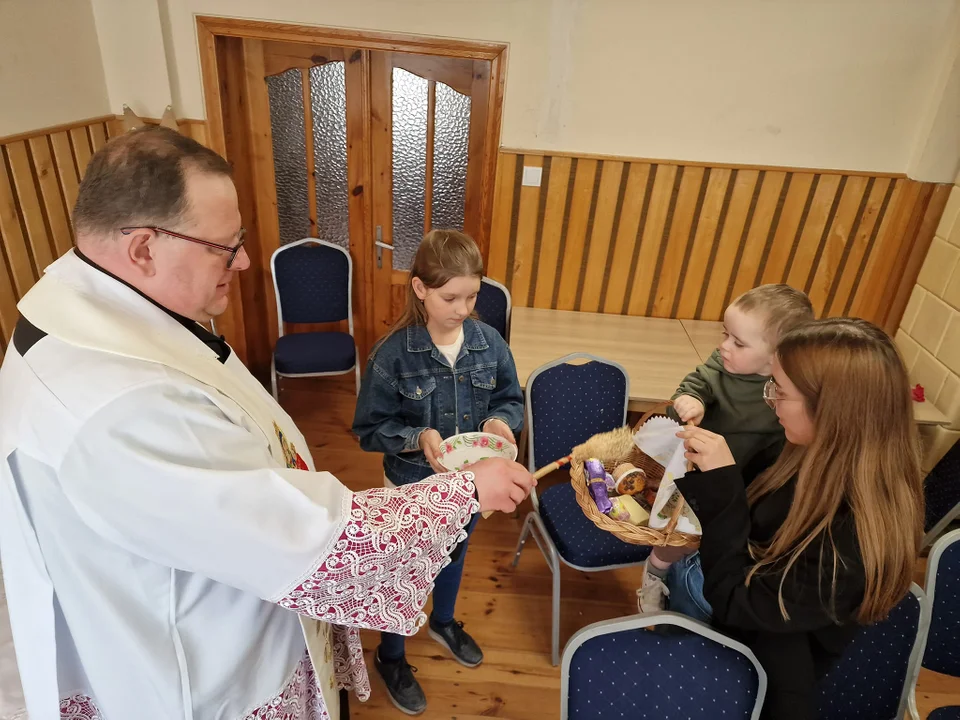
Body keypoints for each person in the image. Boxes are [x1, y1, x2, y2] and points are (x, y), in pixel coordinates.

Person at [0, 126, 536, 720]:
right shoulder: (115, 402)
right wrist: (465, 489)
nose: (247, 261)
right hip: (200, 675)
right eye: (225, 246)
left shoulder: (108, 316)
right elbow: (310, 541)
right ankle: (396, 656)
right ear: (144, 248)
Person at [671, 318, 923, 720]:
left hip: (767, 680)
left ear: (831, 411)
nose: (770, 400)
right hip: (748, 642)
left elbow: (739, 601)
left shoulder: (851, 539)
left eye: (779, 392)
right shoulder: (800, 455)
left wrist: (722, 489)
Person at [352, 230, 523, 715]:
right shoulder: (393, 355)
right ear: (420, 289)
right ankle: (391, 655)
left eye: (473, 296)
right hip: (411, 484)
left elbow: (510, 399)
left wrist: (499, 421)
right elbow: (368, 430)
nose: (464, 308)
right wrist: (416, 438)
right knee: (405, 568)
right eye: (451, 297)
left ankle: (443, 621)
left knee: (454, 553)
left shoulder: (490, 344)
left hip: (469, 484)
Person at [638, 284, 814, 613]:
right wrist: (689, 401)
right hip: (701, 477)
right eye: (725, 335)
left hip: (749, 486)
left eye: (738, 342)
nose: (724, 346)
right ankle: (655, 573)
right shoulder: (722, 364)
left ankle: (684, 583)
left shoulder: (786, 388)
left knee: (716, 545)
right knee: (677, 539)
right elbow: (696, 383)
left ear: (777, 355)